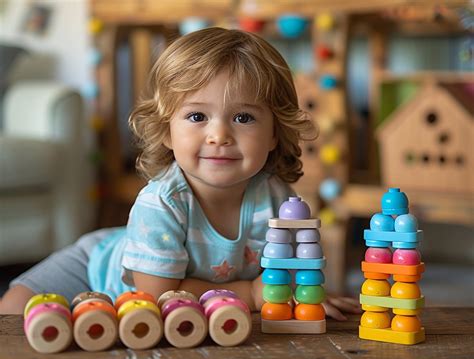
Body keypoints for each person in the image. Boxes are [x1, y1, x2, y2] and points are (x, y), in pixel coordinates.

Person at [0, 27, 360, 319]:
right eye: (197, 116)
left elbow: (288, 272)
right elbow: (157, 295)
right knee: (12, 312)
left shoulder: (280, 200)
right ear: (166, 129)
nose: (218, 135)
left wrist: (301, 293)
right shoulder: (161, 202)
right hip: (97, 265)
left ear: (274, 133)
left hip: (156, 265)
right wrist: (250, 293)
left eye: (243, 117)